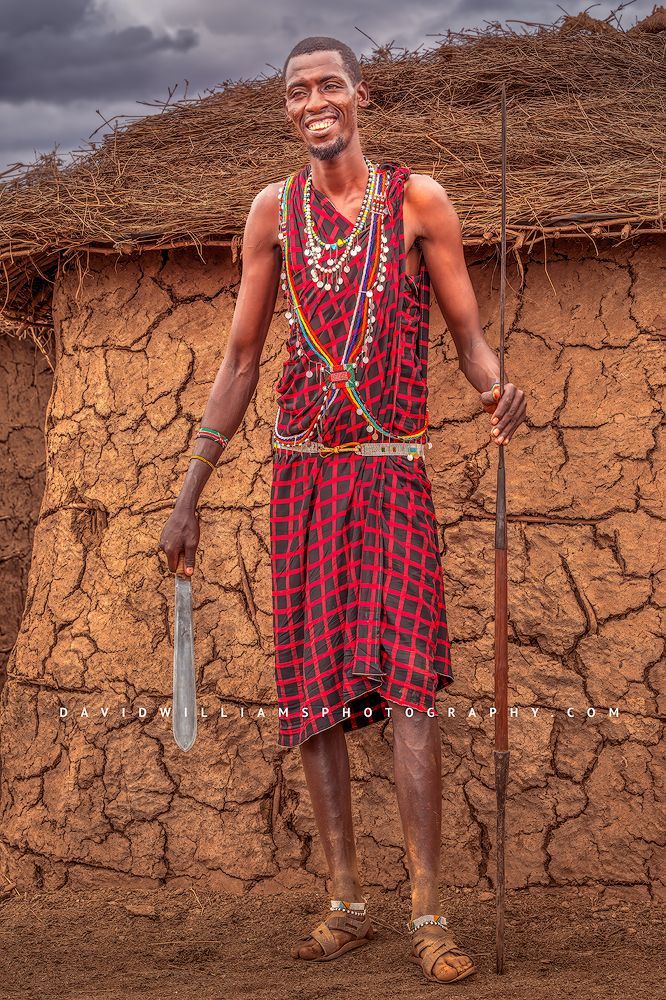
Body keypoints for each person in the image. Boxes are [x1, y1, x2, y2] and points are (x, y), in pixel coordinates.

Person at [160, 35, 527, 986]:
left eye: (329, 86)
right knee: (315, 696)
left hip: (392, 472)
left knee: (409, 694)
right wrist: (189, 492)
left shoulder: (419, 202)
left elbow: (469, 339)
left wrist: (497, 392)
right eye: (297, 91)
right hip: (303, 481)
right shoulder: (272, 213)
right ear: (286, 109)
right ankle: (345, 902)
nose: (313, 101)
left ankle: (429, 915)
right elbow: (241, 362)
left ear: (361, 96)